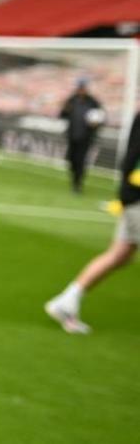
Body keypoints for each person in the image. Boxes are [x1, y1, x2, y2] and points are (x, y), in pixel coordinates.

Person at [44, 112, 140, 334]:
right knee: (120, 253)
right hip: (136, 197)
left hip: (131, 195)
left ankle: (67, 301)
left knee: (121, 254)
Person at [59, 77, 103, 193]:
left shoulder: (93, 102)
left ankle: (77, 184)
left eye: (82, 87)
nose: (81, 89)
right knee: (71, 160)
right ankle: (75, 179)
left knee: (80, 160)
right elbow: (62, 115)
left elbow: (100, 119)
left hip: (86, 138)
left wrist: (95, 125)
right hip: (72, 136)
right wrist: (64, 110)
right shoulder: (71, 100)